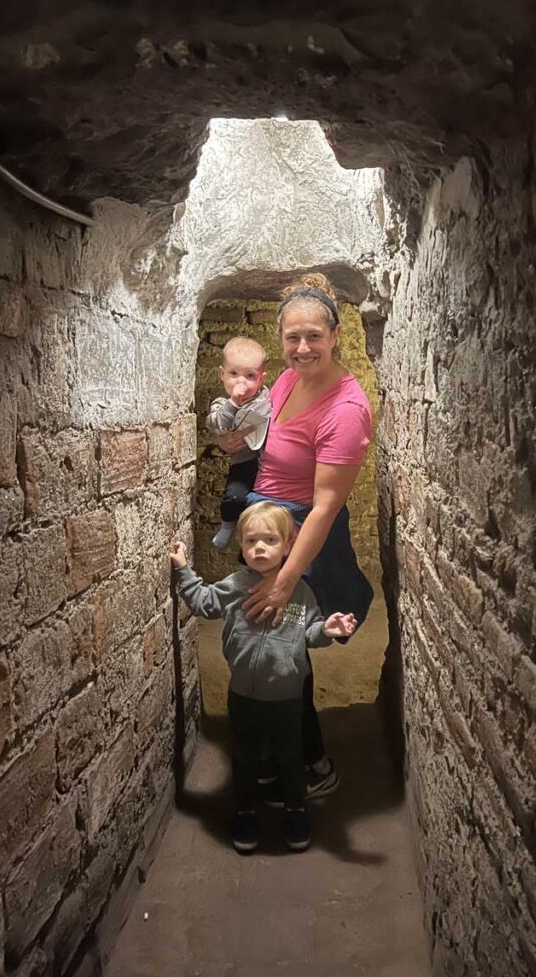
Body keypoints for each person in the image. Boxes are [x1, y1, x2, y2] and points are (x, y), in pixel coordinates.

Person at [214, 274, 374, 801]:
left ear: (335, 335)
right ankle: (284, 752)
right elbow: (264, 441)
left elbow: (326, 506)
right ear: (280, 339)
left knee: (282, 645)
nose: (302, 348)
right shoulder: (284, 380)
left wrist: (284, 581)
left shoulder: (345, 410)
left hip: (304, 536)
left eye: (314, 336)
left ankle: (309, 761)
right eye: (292, 337)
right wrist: (238, 442)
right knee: (274, 649)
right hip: (274, 527)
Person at [169, 501, 356, 854]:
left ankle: (296, 811)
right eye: (251, 540)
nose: (259, 548)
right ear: (241, 546)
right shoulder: (235, 585)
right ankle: (244, 812)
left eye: (270, 540)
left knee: (290, 757)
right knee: (244, 757)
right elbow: (204, 603)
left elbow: (309, 634)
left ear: (288, 546)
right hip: (243, 695)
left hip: (288, 699)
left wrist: (327, 630)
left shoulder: (301, 591)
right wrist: (183, 571)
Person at [205, 336, 271, 549]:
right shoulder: (222, 404)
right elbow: (218, 425)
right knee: (233, 497)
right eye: (233, 374)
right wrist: (233, 403)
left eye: (250, 376)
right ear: (221, 374)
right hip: (244, 462)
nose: (241, 382)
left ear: (261, 379)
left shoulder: (266, 398)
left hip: (268, 463)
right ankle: (227, 525)